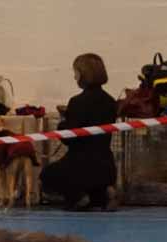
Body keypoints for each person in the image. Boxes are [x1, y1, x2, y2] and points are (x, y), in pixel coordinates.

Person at [40, 53, 119, 211]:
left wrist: (63, 122)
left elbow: (69, 138)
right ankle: (103, 193)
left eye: (75, 72)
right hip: (106, 166)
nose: (74, 76)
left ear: (83, 74)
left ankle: (78, 197)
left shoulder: (77, 102)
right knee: (94, 185)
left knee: (47, 175)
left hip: (80, 165)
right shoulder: (110, 101)